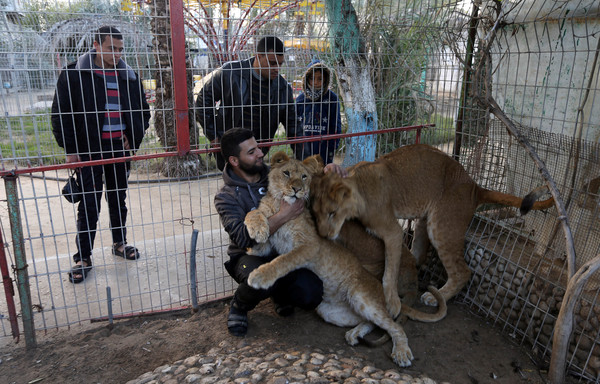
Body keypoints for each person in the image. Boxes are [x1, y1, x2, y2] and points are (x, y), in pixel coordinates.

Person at [214, 128, 346, 336]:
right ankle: (239, 306)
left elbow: (303, 176)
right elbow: (242, 238)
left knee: (311, 292)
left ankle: (279, 294)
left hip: (284, 249)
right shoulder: (226, 197)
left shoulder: (275, 173)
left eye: (258, 148)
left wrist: (328, 171)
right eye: (251, 152)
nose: (260, 154)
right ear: (234, 161)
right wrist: (284, 214)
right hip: (249, 255)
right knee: (257, 279)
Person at [51, 26, 151, 284]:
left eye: (120, 49)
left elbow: (143, 110)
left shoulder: (128, 75)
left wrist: (133, 134)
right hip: (89, 152)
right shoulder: (74, 74)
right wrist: (71, 151)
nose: (116, 54)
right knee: (89, 205)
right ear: (96, 45)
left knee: (118, 199)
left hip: (118, 149)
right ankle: (82, 258)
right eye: (110, 49)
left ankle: (119, 243)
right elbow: (60, 115)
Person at [195, 36, 302, 171]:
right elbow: (203, 100)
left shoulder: (282, 88)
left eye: (280, 64)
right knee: (234, 187)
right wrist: (213, 137)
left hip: (258, 152)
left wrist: (304, 161)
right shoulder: (230, 72)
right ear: (258, 56)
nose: (276, 69)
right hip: (229, 149)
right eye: (272, 63)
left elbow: (293, 126)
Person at [295, 59, 342, 164]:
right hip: (304, 151)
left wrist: (332, 148)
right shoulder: (300, 99)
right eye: (312, 78)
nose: (315, 82)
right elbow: (294, 126)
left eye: (320, 79)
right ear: (306, 79)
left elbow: (336, 126)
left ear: (325, 80)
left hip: (324, 151)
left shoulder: (332, 99)